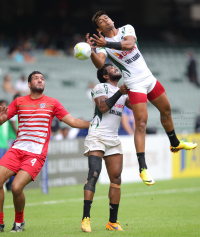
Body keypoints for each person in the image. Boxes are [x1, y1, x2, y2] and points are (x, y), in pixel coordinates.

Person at [85, 10, 197, 185]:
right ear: (99, 29)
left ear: (112, 19)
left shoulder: (127, 29)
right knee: (141, 122)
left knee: (166, 109)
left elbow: (129, 44)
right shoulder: (102, 47)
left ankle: (174, 143)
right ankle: (143, 168)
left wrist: (106, 43)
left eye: (106, 17)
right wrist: (90, 50)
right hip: (134, 84)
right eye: (101, 20)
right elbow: (100, 64)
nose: (105, 19)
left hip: (149, 78)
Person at [0, 71, 90, 233]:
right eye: (36, 78)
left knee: (15, 187)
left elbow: (73, 121)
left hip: (35, 154)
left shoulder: (52, 103)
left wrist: (94, 124)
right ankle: (0, 222)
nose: (40, 80)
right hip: (16, 149)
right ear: (28, 84)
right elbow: (3, 119)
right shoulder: (19, 101)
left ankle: (19, 221)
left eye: (42, 79)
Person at [81, 64, 130, 232]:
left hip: (113, 138)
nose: (115, 68)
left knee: (116, 179)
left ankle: (112, 222)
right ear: (105, 76)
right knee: (94, 173)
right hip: (97, 135)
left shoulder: (123, 92)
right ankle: (86, 219)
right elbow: (102, 107)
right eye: (110, 68)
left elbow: (138, 104)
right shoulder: (100, 87)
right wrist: (120, 92)